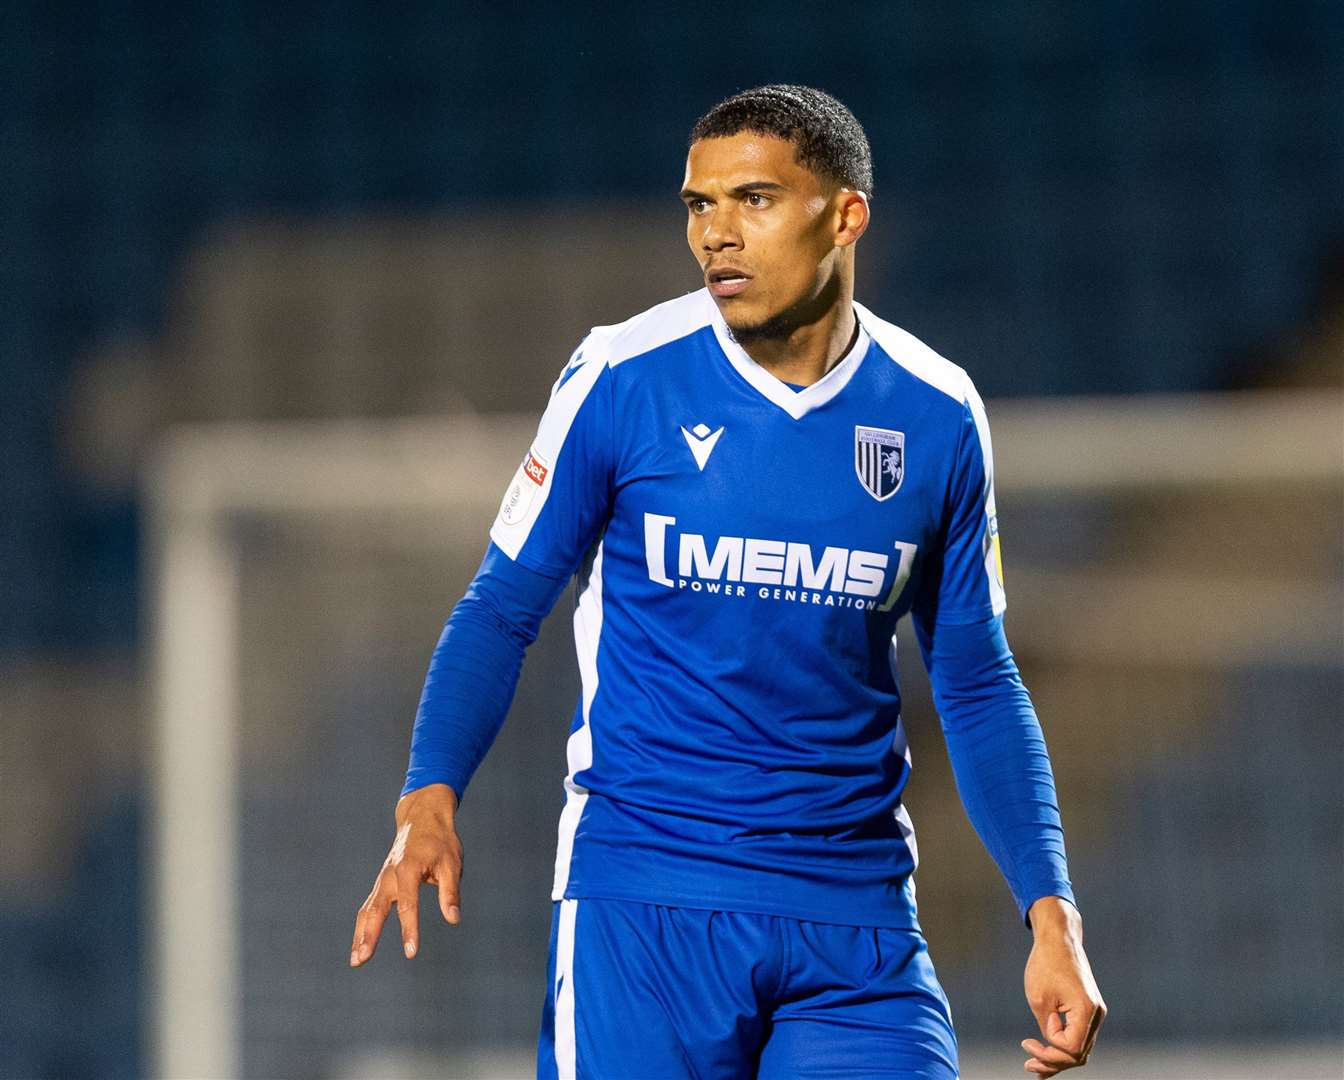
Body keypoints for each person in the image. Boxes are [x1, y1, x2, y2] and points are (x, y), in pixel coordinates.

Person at [351, 84, 1105, 1079]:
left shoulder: (937, 414)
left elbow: (973, 680)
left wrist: (1051, 913)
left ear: (844, 216)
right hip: (644, 911)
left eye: (752, 199)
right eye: (699, 205)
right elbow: (501, 607)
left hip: (856, 926)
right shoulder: (624, 377)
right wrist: (429, 799)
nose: (716, 235)